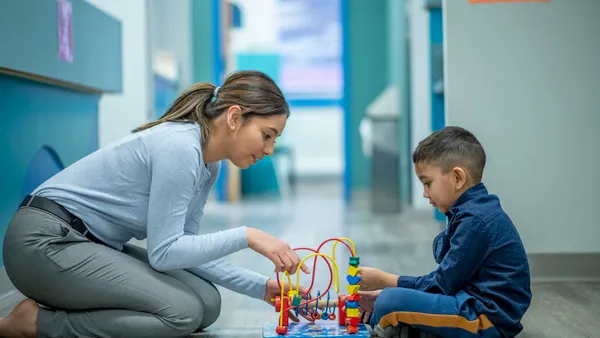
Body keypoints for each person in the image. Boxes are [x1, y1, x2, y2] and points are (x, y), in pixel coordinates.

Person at [0, 70, 313, 338]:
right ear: (234, 117)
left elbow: (183, 248)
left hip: (87, 243)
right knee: (182, 312)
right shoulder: (179, 147)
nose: (270, 149)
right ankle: (37, 324)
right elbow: (164, 254)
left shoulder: (208, 163)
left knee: (208, 302)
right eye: (267, 135)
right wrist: (248, 236)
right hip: (43, 243)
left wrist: (260, 287)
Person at [351, 126, 532, 338]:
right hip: (471, 302)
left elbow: (441, 284)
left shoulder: (475, 220)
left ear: (457, 178)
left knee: (388, 302)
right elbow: (443, 261)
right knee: (386, 302)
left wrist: (385, 280)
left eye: (428, 183)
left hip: (486, 318)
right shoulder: (468, 212)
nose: (426, 193)